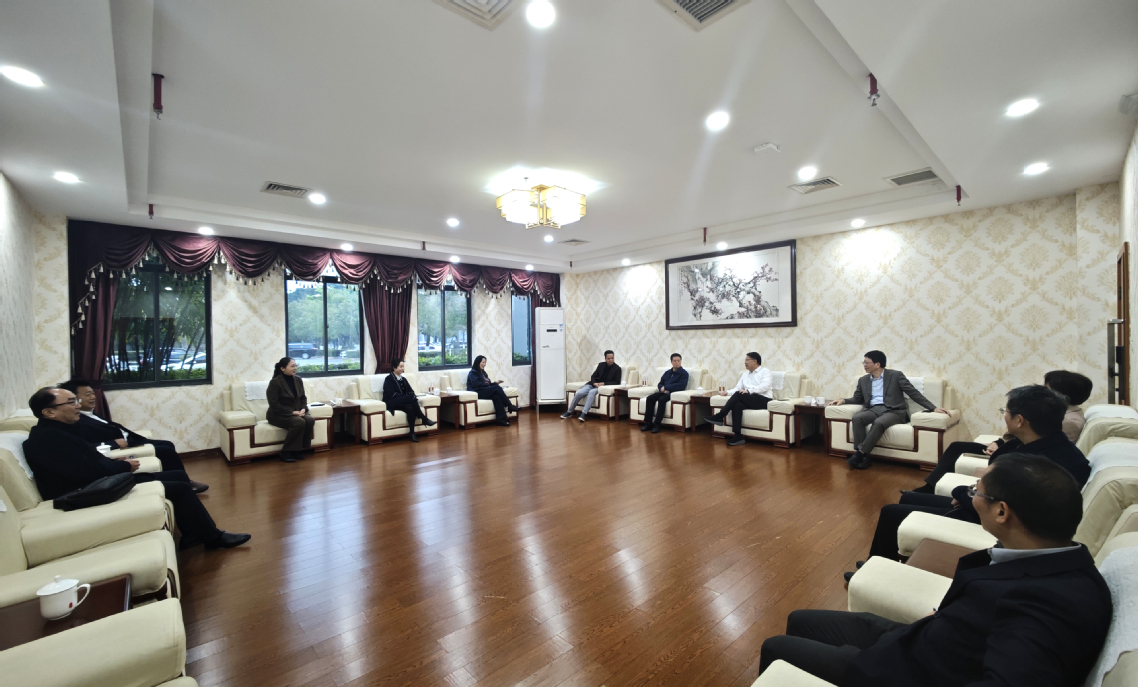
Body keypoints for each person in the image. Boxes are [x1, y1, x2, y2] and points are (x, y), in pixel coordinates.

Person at [759, 454, 1112, 687]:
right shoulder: (1049, 558)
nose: (972, 497)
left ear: (1002, 512)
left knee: (777, 646)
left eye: (976, 492)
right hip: (924, 637)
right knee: (800, 619)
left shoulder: (1049, 607)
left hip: (912, 672)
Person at [850, 385, 1090, 575]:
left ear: (1019, 421)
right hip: (985, 506)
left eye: (1005, 412)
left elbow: (996, 503)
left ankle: (876, 571)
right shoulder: (1049, 446)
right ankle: (886, 563)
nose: (1004, 417)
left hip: (990, 520)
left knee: (891, 512)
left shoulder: (1035, 463)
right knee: (908, 500)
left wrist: (963, 495)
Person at [23, 387, 250, 550]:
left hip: (98, 482)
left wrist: (118, 464)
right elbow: (84, 474)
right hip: (86, 493)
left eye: (76, 400)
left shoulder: (58, 432)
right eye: (71, 402)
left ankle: (192, 534)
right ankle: (213, 538)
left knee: (178, 475)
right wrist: (122, 465)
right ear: (49, 412)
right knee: (180, 488)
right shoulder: (48, 440)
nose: (78, 406)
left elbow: (87, 463)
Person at [914, 370, 1093, 493]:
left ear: (1061, 394)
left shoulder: (1068, 421)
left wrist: (1001, 450)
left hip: (1015, 459)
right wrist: (999, 442)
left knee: (957, 447)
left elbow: (1039, 444)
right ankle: (931, 486)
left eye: (1047, 387)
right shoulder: (1066, 413)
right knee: (957, 446)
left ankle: (931, 487)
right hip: (1010, 449)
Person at [59, 379, 208, 494]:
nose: (92, 397)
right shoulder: (76, 420)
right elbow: (87, 445)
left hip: (130, 440)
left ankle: (183, 481)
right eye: (87, 395)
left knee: (167, 444)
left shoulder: (89, 413)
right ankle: (184, 483)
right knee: (166, 450)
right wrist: (113, 443)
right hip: (122, 447)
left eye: (93, 393)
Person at [827, 351, 949, 469]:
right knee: (857, 418)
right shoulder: (863, 380)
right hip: (873, 409)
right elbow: (857, 398)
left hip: (894, 411)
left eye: (867, 362)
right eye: (863, 362)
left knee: (879, 423)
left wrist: (933, 408)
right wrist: (843, 400)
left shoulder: (896, 376)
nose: (864, 365)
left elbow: (913, 393)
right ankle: (864, 458)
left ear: (877, 364)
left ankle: (859, 454)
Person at [704, 352, 772, 446]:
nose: (745, 362)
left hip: (764, 399)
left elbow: (765, 386)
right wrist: (727, 392)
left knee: (739, 394)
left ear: (755, 361)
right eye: (745, 360)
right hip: (750, 399)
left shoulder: (765, 372)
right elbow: (738, 388)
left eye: (747, 360)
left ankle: (720, 416)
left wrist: (748, 391)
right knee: (737, 405)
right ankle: (738, 436)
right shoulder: (745, 374)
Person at [266, 357, 315, 463]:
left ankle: (298, 449)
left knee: (310, 419)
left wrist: (303, 409)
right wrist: (292, 412)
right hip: (277, 415)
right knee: (299, 422)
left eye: (296, 366)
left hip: (296, 412)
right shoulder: (275, 382)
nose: (295, 368)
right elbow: (274, 404)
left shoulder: (298, 379)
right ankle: (285, 452)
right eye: (292, 366)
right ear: (282, 368)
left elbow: (303, 398)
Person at [383, 359, 436, 442]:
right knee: (411, 398)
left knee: (410, 407)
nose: (402, 368)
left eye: (403, 366)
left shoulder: (403, 379)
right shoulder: (389, 379)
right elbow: (391, 394)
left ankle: (412, 433)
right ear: (394, 367)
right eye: (400, 366)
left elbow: (411, 391)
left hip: (404, 403)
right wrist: (406, 397)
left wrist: (407, 397)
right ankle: (424, 419)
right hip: (391, 402)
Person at [562, 350, 622, 422]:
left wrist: (604, 383)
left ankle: (584, 413)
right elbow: (593, 376)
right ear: (605, 359)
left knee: (591, 393)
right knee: (579, 393)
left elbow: (617, 382)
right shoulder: (601, 365)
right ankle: (569, 411)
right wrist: (594, 383)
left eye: (612, 358)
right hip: (592, 384)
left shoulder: (617, 368)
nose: (611, 360)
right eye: (609, 358)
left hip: (601, 387)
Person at [640, 354, 688, 434]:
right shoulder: (667, 372)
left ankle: (657, 424)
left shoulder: (684, 373)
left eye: (678, 361)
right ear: (671, 362)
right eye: (674, 361)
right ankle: (648, 423)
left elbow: (681, 385)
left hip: (673, 393)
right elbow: (660, 383)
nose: (677, 362)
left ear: (681, 361)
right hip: (663, 391)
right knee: (650, 398)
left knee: (661, 400)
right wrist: (661, 388)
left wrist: (666, 387)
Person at [467, 355, 518, 426]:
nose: (484, 364)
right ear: (478, 362)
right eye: (482, 362)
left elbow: (488, 384)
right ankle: (509, 405)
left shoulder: (483, 372)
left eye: (485, 362)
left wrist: (495, 383)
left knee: (496, 396)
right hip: (478, 392)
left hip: (484, 390)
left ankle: (501, 419)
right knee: (497, 388)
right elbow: (476, 384)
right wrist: (491, 385)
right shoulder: (473, 372)